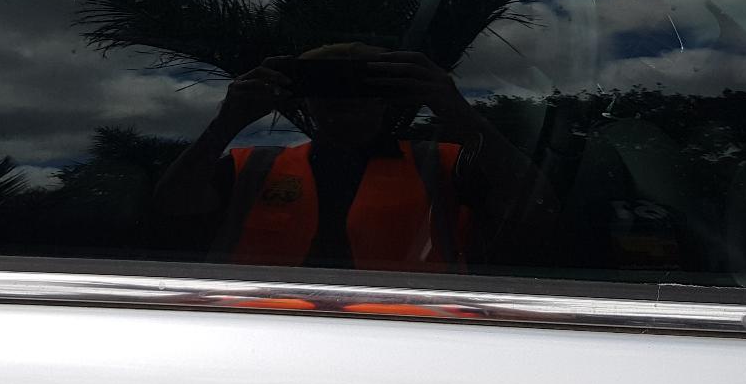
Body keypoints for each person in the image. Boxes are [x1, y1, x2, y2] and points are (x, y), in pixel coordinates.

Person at [155, 43, 557, 273]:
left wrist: (455, 109)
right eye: (326, 82)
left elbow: (536, 207)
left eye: (364, 82)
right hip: (253, 332)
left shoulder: (447, 163)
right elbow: (170, 211)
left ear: (388, 95)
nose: (346, 96)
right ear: (303, 96)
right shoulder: (249, 166)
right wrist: (227, 121)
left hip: (416, 334)